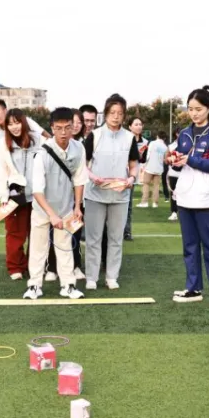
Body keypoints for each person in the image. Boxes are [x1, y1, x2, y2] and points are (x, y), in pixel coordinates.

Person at [170, 85, 209, 306]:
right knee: (190, 246)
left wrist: (189, 160)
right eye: (190, 109)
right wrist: (173, 160)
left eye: (198, 109)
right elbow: (177, 163)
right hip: (185, 198)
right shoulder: (184, 134)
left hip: (207, 199)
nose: (194, 113)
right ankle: (193, 288)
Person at [23, 107, 86, 300]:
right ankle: (34, 285)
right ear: (52, 128)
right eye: (59, 128)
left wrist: (77, 206)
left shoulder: (79, 148)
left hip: (66, 207)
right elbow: (37, 191)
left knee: (65, 246)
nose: (64, 132)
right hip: (42, 209)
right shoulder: (42, 153)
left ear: (73, 127)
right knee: (38, 247)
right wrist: (51, 215)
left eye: (68, 127)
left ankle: (68, 285)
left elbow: (79, 178)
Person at [83, 93, 138, 290]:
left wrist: (131, 179)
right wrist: (92, 176)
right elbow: (83, 165)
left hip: (120, 196)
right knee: (93, 238)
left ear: (124, 116)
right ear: (105, 114)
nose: (116, 116)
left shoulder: (130, 138)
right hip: (95, 194)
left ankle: (112, 276)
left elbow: (134, 165)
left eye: (120, 113)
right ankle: (91, 277)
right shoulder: (94, 136)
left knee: (116, 238)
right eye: (112, 112)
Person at [0, 108, 40, 280]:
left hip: (36, 194)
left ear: (24, 122)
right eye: (10, 124)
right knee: (15, 233)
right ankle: (15, 267)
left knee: (36, 234)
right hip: (15, 192)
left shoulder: (37, 141)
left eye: (17, 122)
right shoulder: (3, 145)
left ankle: (33, 265)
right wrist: (3, 197)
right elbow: (1, 172)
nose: (14, 127)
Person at [139, 130, 168, 208]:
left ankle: (144, 202)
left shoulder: (152, 143)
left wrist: (144, 164)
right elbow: (165, 160)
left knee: (146, 184)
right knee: (156, 186)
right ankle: (155, 203)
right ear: (164, 138)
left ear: (157, 136)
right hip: (159, 168)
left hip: (150, 167)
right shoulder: (165, 147)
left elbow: (148, 154)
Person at [166, 132, 182, 221]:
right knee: (173, 194)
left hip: (186, 173)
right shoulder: (172, 146)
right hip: (173, 173)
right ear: (177, 134)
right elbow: (166, 159)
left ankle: (186, 213)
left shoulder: (190, 144)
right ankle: (174, 212)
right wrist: (170, 159)